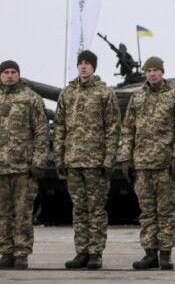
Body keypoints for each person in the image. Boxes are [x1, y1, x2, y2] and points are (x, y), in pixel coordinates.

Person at [119, 57, 175, 270]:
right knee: (147, 212)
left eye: (155, 70)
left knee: (166, 212)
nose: (152, 74)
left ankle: (165, 254)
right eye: (148, 70)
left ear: (162, 72)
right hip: (142, 164)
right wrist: (126, 158)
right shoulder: (137, 97)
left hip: (165, 164)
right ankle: (150, 253)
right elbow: (128, 129)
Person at [54, 50, 120, 269]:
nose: (83, 66)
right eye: (80, 63)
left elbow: (112, 128)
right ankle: (81, 251)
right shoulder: (67, 93)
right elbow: (60, 127)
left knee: (96, 209)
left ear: (94, 67)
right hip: (73, 161)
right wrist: (59, 158)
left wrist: (108, 160)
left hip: (95, 162)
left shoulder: (104, 93)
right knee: (79, 209)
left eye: (87, 63)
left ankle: (95, 253)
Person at [0, 60, 49, 270]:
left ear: (19, 74)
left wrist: (38, 162)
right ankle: (6, 252)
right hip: (1, 168)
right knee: (2, 214)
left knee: (23, 213)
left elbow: (42, 132)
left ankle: (21, 253)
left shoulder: (31, 98)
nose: (10, 75)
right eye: (6, 72)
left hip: (23, 168)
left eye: (13, 72)